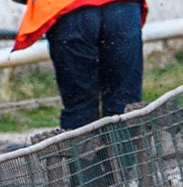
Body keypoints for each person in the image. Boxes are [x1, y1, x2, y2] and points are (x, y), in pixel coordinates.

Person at [12, 0, 147, 130]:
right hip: (122, 8)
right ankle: (127, 151)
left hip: (68, 10)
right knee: (125, 101)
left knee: (80, 106)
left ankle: (83, 151)